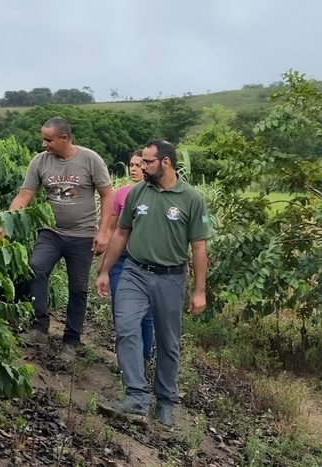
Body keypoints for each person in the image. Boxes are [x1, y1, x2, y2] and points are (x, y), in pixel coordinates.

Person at [95, 139, 209, 427]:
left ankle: (166, 401)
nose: (141, 166)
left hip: (171, 278)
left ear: (165, 162)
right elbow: (121, 233)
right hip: (134, 271)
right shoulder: (136, 194)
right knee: (126, 328)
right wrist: (105, 271)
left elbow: (198, 248)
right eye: (141, 161)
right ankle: (135, 397)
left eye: (147, 162)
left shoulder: (191, 199)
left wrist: (199, 291)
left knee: (168, 342)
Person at [0, 116, 113, 363]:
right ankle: (40, 327)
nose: (44, 144)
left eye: (48, 139)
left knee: (78, 287)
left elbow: (107, 195)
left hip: (82, 234)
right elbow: (24, 195)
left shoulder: (90, 160)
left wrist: (103, 232)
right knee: (36, 268)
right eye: (43, 138)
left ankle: (71, 340)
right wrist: (6, 223)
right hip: (51, 231)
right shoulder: (40, 162)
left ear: (64, 138)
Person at [105, 150, 154, 364]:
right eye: (131, 165)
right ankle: (126, 360)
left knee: (146, 315)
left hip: (146, 259)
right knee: (122, 310)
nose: (133, 168)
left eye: (138, 164)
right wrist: (103, 266)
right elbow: (112, 229)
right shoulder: (121, 194)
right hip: (121, 257)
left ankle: (144, 358)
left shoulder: (158, 195)